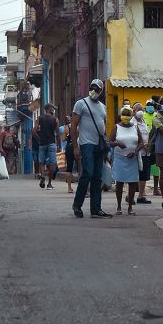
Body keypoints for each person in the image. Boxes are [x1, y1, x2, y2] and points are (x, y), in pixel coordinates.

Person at [70, 79, 111, 219]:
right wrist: (75, 147)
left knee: (97, 176)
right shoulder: (81, 104)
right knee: (88, 172)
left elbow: (104, 129)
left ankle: (96, 209)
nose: (94, 90)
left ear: (101, 92)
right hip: (86, 143)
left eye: (97, 89)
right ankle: (77, 204)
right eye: (93, 87)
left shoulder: (102, 107)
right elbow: (73, 125)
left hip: (99, 146)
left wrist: (106, 151)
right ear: (90, 88)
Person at [109, 105, 143, 215]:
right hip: (120, 158)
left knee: (132, 182)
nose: (126, 117)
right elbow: (110, 142)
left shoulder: (135, 127)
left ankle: (130, 207)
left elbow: (141, 142)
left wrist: (135, 152)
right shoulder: (116, 127)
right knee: (119, 182)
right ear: (121, 116)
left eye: (129, 115)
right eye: (124, 115)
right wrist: (118, 143)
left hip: (132, 159)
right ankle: (119, 206)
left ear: (132, 115)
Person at [32, 103, 60, 190]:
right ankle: (49, 183)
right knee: (52, 163)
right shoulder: (55, 119)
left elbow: (33, 132)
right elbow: (58, 134)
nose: (53, 110)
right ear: (49, 109)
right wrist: (58, 144)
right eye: (52, 108)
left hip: (42, 144)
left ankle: (43, 176)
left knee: (41, 162)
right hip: (52, 143)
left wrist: (39, 139)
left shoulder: (40, 118)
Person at [132, 102, 152, 204]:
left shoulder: (144, 121)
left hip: (146, 152)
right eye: (138, 109)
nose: (140, 111)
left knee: (144, 175)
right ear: (134, 111)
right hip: (137, 152)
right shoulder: (132, 122)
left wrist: (148, 145)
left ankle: (141, 196)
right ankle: (129, 196)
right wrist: (143, 145)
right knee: (134, 175)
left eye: (141, 109)